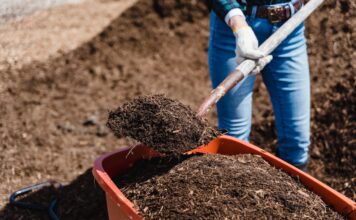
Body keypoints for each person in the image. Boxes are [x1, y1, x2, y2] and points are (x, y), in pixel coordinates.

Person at [207, 0, 310, 170]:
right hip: (235, 29)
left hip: (291, 27)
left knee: (297, 141)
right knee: (235, 139)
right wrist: (239, 26)